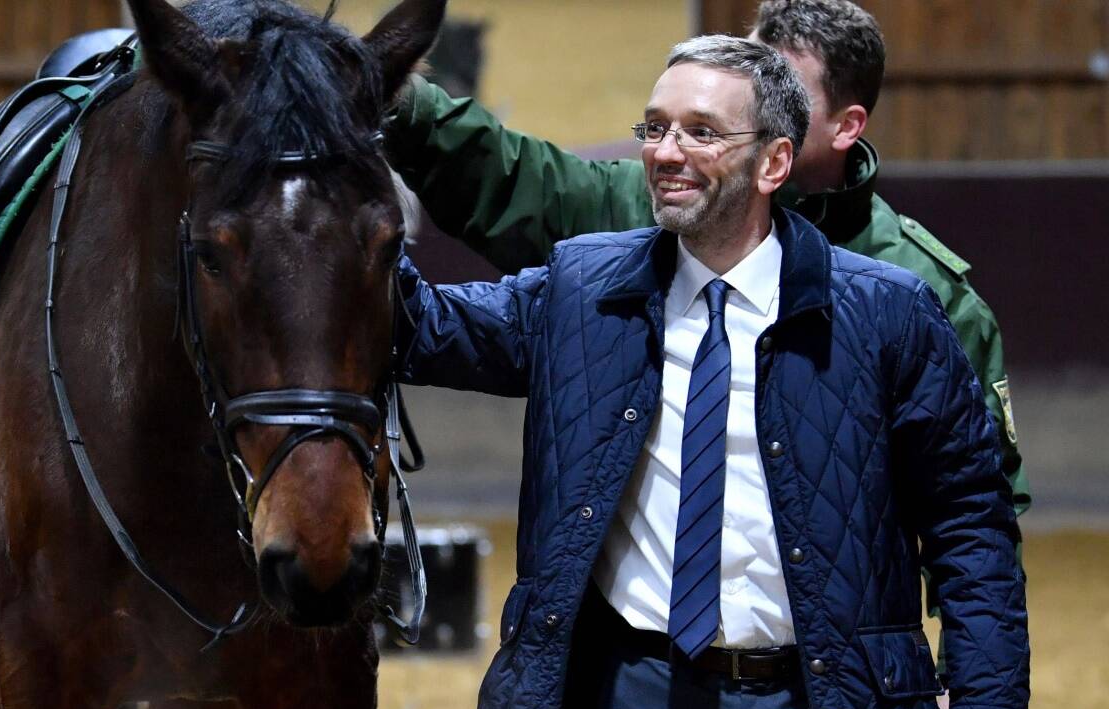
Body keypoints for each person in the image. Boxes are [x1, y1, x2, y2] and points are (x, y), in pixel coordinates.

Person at [395, 35, 1028, 709]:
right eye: (656, 127)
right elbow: (419, 328)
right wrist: (338, 184)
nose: (666, 153)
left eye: (701, 133)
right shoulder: (580, 288)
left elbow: (972, 531)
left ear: (774, 162)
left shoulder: (890, 314)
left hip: (818, 698)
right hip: (621, 691)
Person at [383, 0, 1030, 538]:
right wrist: (396, 97)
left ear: (846, 125)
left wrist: (953, 678)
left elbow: (979, 502)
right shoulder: (652, 211)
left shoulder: (922, 291)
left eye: (782, 89)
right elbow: (519, 182)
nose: (750, 100)